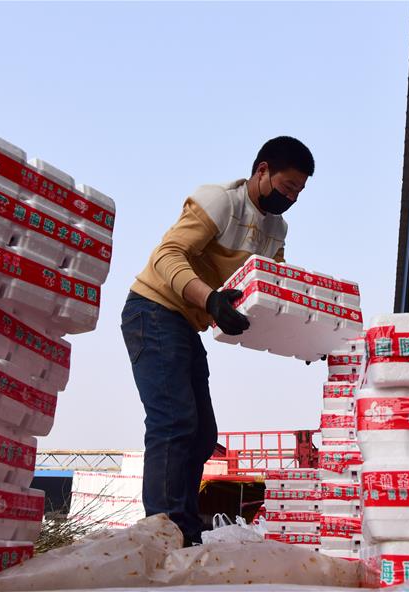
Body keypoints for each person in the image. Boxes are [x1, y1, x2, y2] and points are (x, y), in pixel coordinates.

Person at [120, 136, 315, 545]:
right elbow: (166, 256)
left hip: (185, 324)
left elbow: (271, 291)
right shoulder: (220, 201)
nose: (291, 196)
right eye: (287, 185)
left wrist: (303, 336)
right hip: (153, 310)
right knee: (173, 421)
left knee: (203, 434)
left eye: (299, 191)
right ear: (262, 170)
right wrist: (209, 299)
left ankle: (183, 527)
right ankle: (162, 532)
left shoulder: (277, 227)